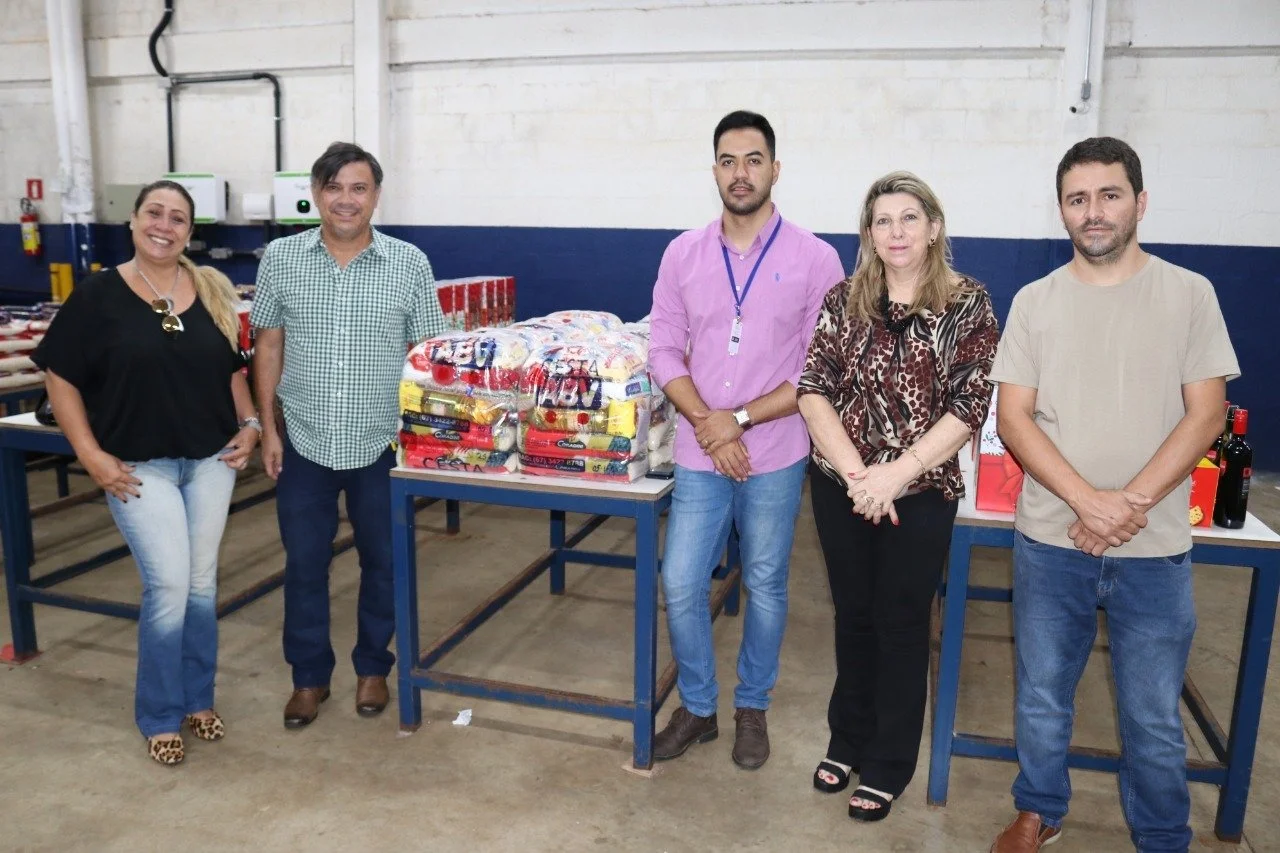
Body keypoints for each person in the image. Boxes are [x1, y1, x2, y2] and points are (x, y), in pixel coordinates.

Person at [987, 138, 1239, 853]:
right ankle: (1039, 809)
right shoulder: (1036, 303)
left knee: (1153, 714)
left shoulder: (1190, 294)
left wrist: (1125, 503)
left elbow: (1207, 413)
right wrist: (1086, 503)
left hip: (1153, 547)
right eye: (1077, 198)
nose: (1092, 212)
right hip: (1051, 540)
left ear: (1140, 201)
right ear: (1061, 210)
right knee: (1040, 695)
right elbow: (1013, 418)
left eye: (1109, 194)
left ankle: (1162, 836)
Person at [33, 180, 261, 765]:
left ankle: (197, 700)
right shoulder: (98, 296)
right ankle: (159, 714)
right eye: (154, 213)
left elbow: (232, 371)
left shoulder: (210, 287)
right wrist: (90, 455)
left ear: (190, 231)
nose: (165, 225)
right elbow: (59, 377)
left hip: (212, 459)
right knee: (168, 587)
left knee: (202, 586)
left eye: (178, 218)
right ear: (133, 222)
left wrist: (253, 424)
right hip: (139, 466)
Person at [797, 171, 999, 820]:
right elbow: (812, 390)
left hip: (923, 490)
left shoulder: (968, 302)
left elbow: (971, 403)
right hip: (843, 485)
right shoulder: (844, 298)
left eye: (909, 218)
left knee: (902, 621)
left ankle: (889, 759)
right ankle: (847, 735)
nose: (897, 232)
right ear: (868, 234)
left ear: (934, 226)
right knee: (852, 613)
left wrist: (896, 474)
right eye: (883, 221)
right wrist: (860, 475)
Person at [647, 110, 844, 769]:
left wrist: (743, 419)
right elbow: (664, 351)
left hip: (778, 451)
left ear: (775, 169)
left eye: (754, 159)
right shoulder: (683, 253)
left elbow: (820, 367)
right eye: (729, 160)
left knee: (764, 581)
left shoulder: (816, 258)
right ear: (714, 172)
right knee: (679, 581)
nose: (741, 172)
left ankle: (752, 705)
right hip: (702, 449)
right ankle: (699, 706)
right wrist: (710, 421)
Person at [251, 141, 446, 729]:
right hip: (305, 439)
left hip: (382, 444)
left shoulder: (409, 263)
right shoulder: (282, 259)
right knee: (305, 565)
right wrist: (267, 428)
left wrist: (423, 442)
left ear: (376, 196)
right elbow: (269, 344)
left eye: (358, 188)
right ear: (316, 195)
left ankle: (372, 670)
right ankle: (309, 679)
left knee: (382, 562)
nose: (345, 200)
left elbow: (425, 357)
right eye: (333, 187)